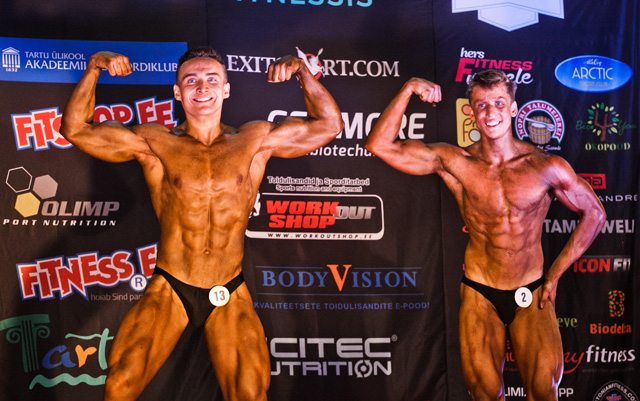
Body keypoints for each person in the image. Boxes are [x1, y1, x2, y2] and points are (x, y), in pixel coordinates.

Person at [60, 47, 344, 401]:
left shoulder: (255, 140)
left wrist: (301, 71)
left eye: (212, 79)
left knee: (250, 394)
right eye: (191, 80)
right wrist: (93, 67)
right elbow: (75, 129)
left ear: (226, 89)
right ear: (178, 92)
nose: (202, 87)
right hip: (171, 284)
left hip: (229, 287)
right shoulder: (156, 141)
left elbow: (329, 125)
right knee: (120, 384)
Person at [365, 70, 605, 400]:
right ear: (471, 112)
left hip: (533, 288)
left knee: (543, 393)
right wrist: (408, 88)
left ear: (513, 109)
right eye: (481, 105)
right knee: (485, 394)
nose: (491, 112)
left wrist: (555, 275)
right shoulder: (456, 161)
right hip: (481, 292)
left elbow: (595, 213)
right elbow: (379, 145)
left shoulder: (544, 166)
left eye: (499, 103)